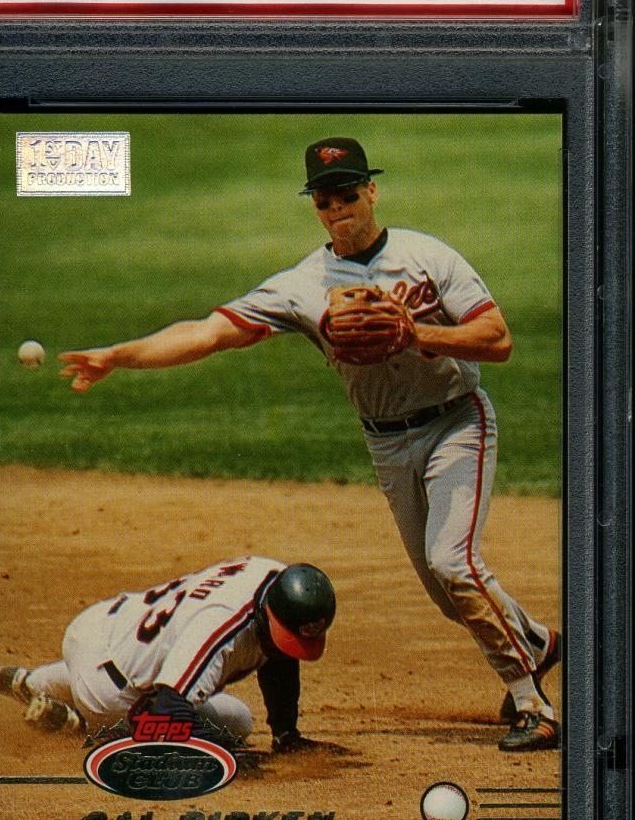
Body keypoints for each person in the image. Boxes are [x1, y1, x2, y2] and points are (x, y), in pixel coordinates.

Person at [59, 137, 561, 753]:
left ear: (372, 190)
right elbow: (209, 333)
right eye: (325, 200)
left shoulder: (427, 257)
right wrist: (120, 355)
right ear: (316, 207)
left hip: (457, 424)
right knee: (447, 594)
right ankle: (536, 643)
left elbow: (497, 338)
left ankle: (532, 704)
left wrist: (415, 333)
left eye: (348, 194)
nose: (338, 208)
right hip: (387, 442)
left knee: (453, 565)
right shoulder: (302, 285)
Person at [0, 555, 336, 750]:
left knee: (222, 710)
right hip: (110, 694)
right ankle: (79, 725)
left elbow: (279, 656)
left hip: (107, 626)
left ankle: (33, 684)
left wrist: (286, 733)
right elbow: (169, 713)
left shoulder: (273, 578)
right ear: (267, 614)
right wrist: (226, 754)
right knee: (232, 729)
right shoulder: (219, 626)